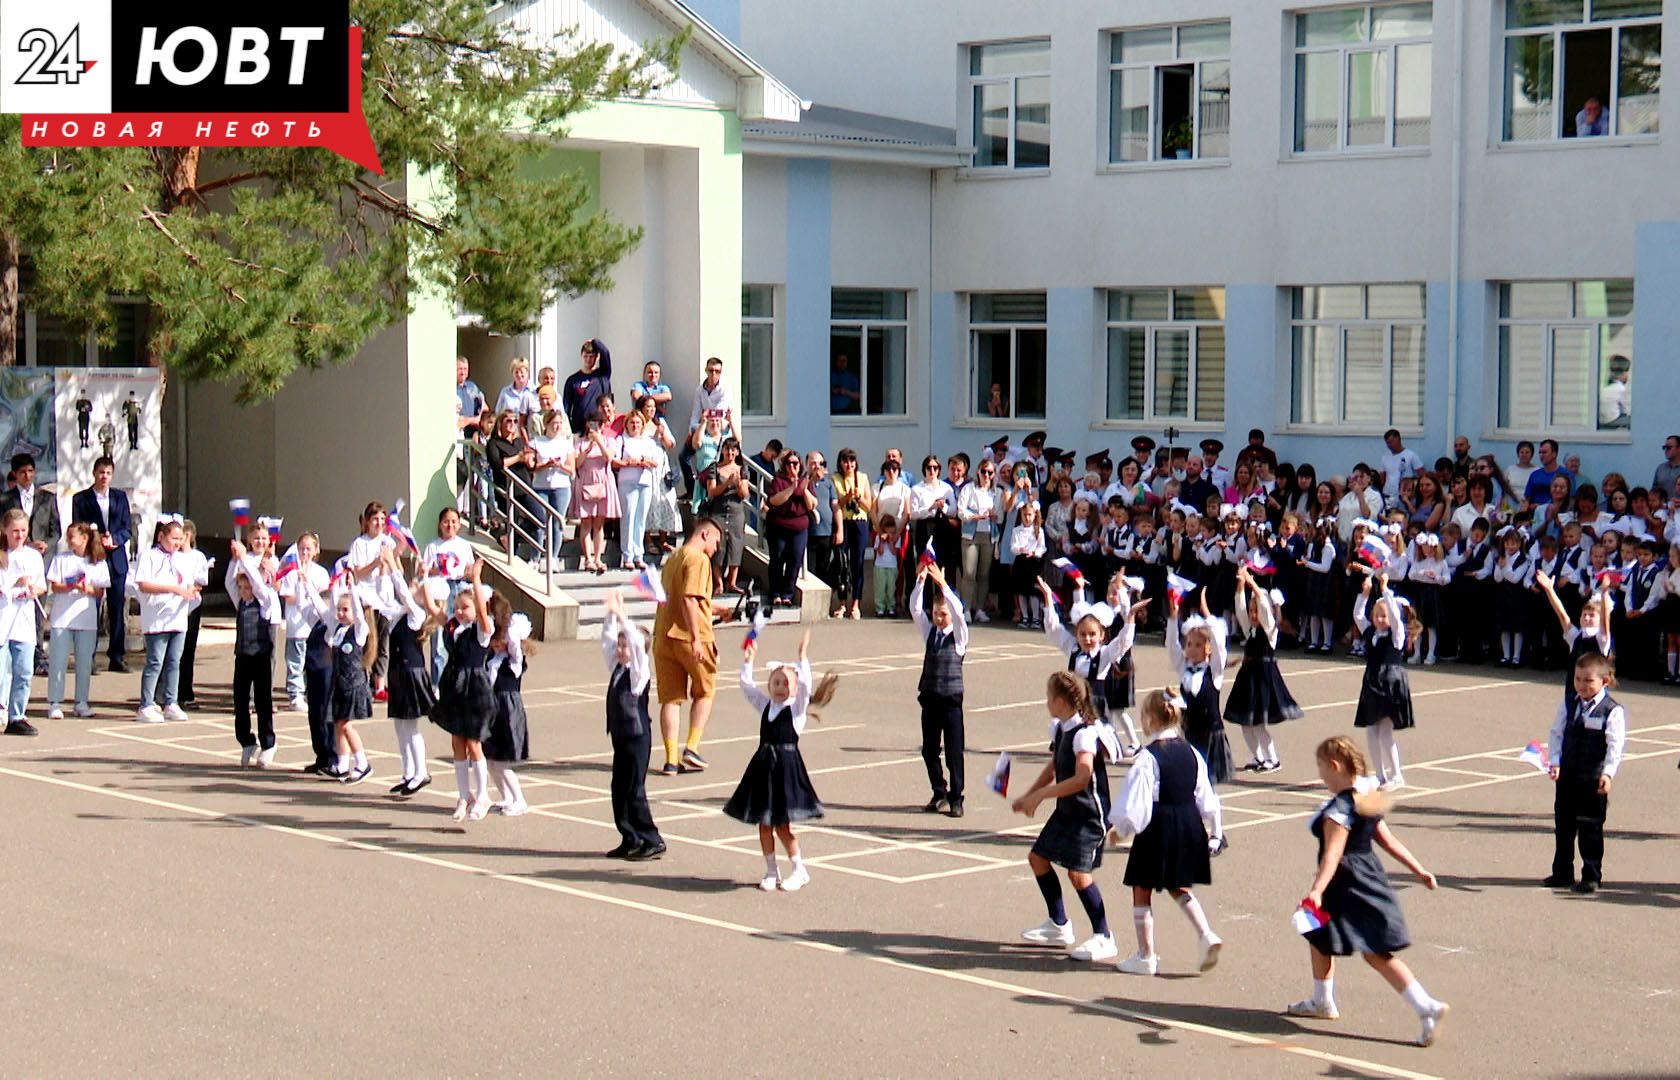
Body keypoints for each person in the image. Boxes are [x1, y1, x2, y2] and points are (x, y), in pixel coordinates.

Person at [1286, 737, 1448, 1047]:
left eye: (1320, 767)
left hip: (1346, 884)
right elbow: (1388, 840)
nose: (1320, 774)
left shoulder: (1339, 809)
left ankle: (1426, 1006)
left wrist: (1316, 890)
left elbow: (1333, 854)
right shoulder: (1365, 799)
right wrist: (1419, 869)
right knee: (1319, 935)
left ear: (1334, 766)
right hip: (1370, 877)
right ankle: (1322, 1000)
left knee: (1373, 951)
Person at [1107, 686, 1226, 976]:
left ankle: (1145, 955)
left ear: (1150, 719)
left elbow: (1137, 802)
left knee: (1141, 887)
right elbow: (1206, 797)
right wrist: (1214, 831)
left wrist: (1121, 829)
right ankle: (1206, 933)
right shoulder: (1193, 753)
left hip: (1159, 826)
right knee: (1178, 884)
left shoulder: (1148, 758)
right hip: (1189, 823)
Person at [1013, 671, 1122, 963]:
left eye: (1049, 698)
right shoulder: (1061, 729)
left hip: (1089, 816)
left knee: (1078, 874)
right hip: (1067, 811)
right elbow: (1053, 766)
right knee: (1038, 858)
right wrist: (1029, 795)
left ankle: (1104, 936)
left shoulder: (1084, 734)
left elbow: (1082, 778)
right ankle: (1058, 924)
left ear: (1061, 702)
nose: (1046, 702)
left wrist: (1041, 795)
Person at [723, 630, 835, 892]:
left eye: (785, 683)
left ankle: (799, 869)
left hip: (785, 771)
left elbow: (806, 687)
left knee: (783, 825)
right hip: (764, 768)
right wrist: (749, 659)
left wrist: (802, 657)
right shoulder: (766, 706)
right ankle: (771, 870)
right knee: (764, 824)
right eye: (776, 682)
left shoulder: (796, 711)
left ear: (794, 688)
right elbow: (747, 687)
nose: (780, 687)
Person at [652, 518, 736, 775]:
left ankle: (671, 759)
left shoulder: (673, 558)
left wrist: (721, 610)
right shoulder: (698, 559)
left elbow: (694, 599)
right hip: (689, 637)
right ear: (704, 535)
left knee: (671, 699)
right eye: (716, 542)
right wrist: (696, 638)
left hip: (664, 636)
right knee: (705, 690)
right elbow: (689, 599)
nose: (716, 549)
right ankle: (692, 746)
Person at [1542, 652, 1625, 893]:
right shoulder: (1570, 703)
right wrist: (1555, 761)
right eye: (1578, 679)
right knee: (1564, 824)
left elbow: (1615, 745)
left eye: (1588, 681)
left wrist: (1608, 774)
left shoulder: (1612, 710)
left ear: (1604, 681)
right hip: (1568, 774)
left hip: (1592, 778)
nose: (1581, 685)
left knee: (1590, 827)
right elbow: (1556, 733)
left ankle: (1591, 874)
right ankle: (1562, 871)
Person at [1037, 575, 1145, 752]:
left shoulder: (1104, 654)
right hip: (1073, 707)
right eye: (1082, 634)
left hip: (1095, 712)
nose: (1087, 639)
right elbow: (1053, 629)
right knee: (1066, 744)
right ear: (1077, 634)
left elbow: (1123, 642)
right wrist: (1048, 598)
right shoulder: (1073, 649)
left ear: (1102, 635)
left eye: (1092, 634)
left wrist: (1130, 617)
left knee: (1095, 749)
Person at [428, 559, 495, 821]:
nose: (459, 611)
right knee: (457, 742)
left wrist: (476, 579)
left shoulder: (481, 631)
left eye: (464, 607)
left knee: (473, 743)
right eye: (456, 607)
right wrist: (424, 578)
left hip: (475, 688)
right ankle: (463, 795)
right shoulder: (453, 628)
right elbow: (434, 610)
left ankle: (483, 795)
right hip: (454, 686)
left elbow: (482, 609)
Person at [600, 590, 664, 860]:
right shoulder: (618, 667)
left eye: (624, 646)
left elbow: (637, 644)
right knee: (619, 787)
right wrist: (611, 614)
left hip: (637, 736)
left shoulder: (639, 673)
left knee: (635, 788)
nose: (620, 649)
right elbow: (606, 641)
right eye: (620, 645)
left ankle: (652, 839)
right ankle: (630, 836)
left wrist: (623, 615)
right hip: (621, 736)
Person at [1225, 565, 1302, 772]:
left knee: (1258, 722)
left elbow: (1265, 610)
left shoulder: (1270, 630)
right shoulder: (1250, 630)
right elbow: (1239, 608)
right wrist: (1241, 584)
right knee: (1245, 722)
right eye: (1252, 611)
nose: (1253, 615)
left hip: (1263, 677)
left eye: (1255, 611)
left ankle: (1273, 759)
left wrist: (1252, 583)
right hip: (1248, 677)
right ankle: (1258, 757)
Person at [911, 562, 968, 818]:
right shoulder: (931, 634)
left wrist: (944, 586)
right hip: (930, 698)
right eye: (936, 613)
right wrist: (921, 581)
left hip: (951, 701)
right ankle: (939, 791)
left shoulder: (959, 637)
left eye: (943, 614)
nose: (939, 618)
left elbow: (959, 613)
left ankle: (956, 797)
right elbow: (915, 609)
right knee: (929, 750)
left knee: (954, 751)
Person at [380, 558, 438, 796]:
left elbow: (404, 593)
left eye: (416, 586)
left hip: (411, 673)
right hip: (397, 673)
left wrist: (394, 566)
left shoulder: (417, 614)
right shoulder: (399, 614)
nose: (410, 587)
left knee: (411, 726)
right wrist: (384, 569)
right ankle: (408, 772)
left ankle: (421, 772)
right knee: (400, 726)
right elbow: (384, 600)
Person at [1353, 574, 1416, 790]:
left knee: (1385, 732)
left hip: (1391, 683)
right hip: (1372, 681)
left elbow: (1396, 620)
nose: (1380, 619)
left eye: (1384, 616)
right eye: (1377, 615)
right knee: (1371, 729)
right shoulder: (1370, 632)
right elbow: (1357, 615)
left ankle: (1396, 775)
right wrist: (1365, 594)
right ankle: (1379, 775)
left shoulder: (1396, 636)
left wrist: (1385, 589)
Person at [223, 533, 281, 767]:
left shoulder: (265, 600)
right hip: (243, 657)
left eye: (248, 586)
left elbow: (258, 583)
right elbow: (228, 583)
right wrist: (235, 559)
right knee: (240, 701)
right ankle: (246, 741)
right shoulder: (241, 603)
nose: (245, 590)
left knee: (263, 701)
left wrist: (245, 558)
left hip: (261, 657)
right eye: (242, 587)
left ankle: (269, 743)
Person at [71, 457, 133, 673]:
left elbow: (127, 528)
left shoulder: (119, 497)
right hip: (94, 557)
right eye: (101, 472)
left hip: (116, 559)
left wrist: (114, 539)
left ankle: (117, 656)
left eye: (108, 473)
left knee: (116, 609)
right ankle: (88, 656)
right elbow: (78, 528)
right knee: (91, 609)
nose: (104, 477)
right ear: (94, 473)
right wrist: (96, 540)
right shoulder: (81, 499)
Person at [1166, 590, 1234, 787]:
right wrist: (1173, 618)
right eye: (1189, 644)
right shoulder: (1183, 669)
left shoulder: (1214, 671)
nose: (1192, 648)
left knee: (1206, 782)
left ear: (1208, 648)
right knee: (1191, 779)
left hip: (1210, 734)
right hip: (1189, 732)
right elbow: (1171, 646)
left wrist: (1208, 617)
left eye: (1198, 644)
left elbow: (1220, 646)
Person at [44, 522, 110, 723]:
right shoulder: (61, 558)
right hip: (62, 619)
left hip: (86, 619)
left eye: (72, 536)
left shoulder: (97, 562)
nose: (69, 540)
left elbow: (100, 591)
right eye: (68, 536)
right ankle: (55, 702)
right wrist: (70, 586)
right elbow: (55, 586)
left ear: (84, 538)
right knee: (58, 661)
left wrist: (85, 588)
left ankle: (81, 702)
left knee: (84, 663)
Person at [133, 516, 196, 725]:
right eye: (173, 538)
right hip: (157, 618)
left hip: (177, 617)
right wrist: (173, 589)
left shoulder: (183, 559)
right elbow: (143, 584)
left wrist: (190, 591)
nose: (177, 543)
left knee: (174, 661)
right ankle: (146, 704)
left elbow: (187, 583)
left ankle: (171, 701)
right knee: (155, 661)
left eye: (180, 539)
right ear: (161, 536)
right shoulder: (149, 556)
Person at [484, 596, 534, 816]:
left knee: (501, 763)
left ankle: (519, 799)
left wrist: (507, 627)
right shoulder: (491, 660)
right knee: (491, 762)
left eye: (499, 640)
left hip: (507, 711)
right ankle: (506, 797)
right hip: (492, 710)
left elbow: (514, 645)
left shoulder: (514, 662)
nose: (495, 644)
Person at [0, 509, 46, 735]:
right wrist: (15, 584)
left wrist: (34, 589)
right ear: (4, 531)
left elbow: (42, 586)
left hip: (24, 623)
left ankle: (17, 716)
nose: (19, 535)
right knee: (2, 672)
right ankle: (1, 712)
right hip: (3, 621)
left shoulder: (33, 556)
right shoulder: (2, 556)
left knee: (24, 670)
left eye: (23, 531)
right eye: (15, 531)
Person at [764, 450, 815, 607]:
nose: (792, 466)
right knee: (778, 559)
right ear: (784, 465)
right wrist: (792, 488)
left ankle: (788, 593)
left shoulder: (805, 481)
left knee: (795, 559)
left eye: (795, 463)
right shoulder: (778, 481)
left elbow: (812, 505)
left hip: (799, 528)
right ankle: (776, 593)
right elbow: (774, 501)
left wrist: (803, 490)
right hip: (778, 526)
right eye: (789, 463)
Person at [611, 410, 661, 572]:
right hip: (627, 482)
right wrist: (629, 463)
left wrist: (645, 461)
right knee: (628, 518)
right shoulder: (621, 440)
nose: (635, 425)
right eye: (632, 422)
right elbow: (614, 461)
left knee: (640, 520)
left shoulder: (648, 442)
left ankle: (639, 555)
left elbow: (655, 462)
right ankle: (627, 555)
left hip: (645, 482)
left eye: (638, 423)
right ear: (627, 425)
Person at [700, 437, 749, 593]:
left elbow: (744, 494)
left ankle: (732, 582)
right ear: (722, 450)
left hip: (736, 512)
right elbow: (712, 491)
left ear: (737, 452)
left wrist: (739, 484)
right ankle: (718, 582)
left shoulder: (742, 469)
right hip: (718, 511)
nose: (730, 453)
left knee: (736, 544)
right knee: (718, 546)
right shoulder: (715, 468)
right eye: (727, 449)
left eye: (733, 449)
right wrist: (727, 483)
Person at [527, 411, 574, 570]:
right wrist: (546, 465)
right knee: (539, 522)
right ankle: (535, 557)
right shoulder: (536, 442)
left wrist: (560, 465)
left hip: (561, 487)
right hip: (541, 486)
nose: (557, 426)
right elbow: (532, 467)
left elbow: (572, 469)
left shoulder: (566, 443)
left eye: (560, 423)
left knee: (557, 523)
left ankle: (553, 558)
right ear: (546, 424)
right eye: (554, 423)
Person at [172, 520, 211, 709]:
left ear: (188, 535)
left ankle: (186, 692)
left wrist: (192, 586)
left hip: (191, 607)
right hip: (173, 606)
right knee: (173, 651)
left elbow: (201, 581)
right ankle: (168, 692)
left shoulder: (197, 556)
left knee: (187, 650)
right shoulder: (172, 556)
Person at [573, 419, 619, 575]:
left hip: (602, 481)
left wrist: (599, 441)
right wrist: (587, 449)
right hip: (585, 480)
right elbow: (577, 463)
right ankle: (588, 559)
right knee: (586, 522)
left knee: (599, 524)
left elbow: (609, 458)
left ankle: (598, 558)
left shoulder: (609, 441)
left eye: (598, 425)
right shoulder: (580, 442)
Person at [832, 448, 873, 621]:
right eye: (845, 461)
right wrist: (847, 497)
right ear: (840, 463)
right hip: (843, 523)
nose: (849, 465)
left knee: (857, 564)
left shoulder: (862, 478)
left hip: (860, 523)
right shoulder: (835, 478)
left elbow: (869, 505)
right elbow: (836, 503)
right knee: (841, 564)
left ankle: (856, 604)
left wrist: (858, 497)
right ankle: (842, 603)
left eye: (852, 461)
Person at [806, 451, 842, 610]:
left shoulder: (828, 484)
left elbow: (836, 507)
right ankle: (811, 607)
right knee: (810, 570)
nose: (816, 466)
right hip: (808, 534)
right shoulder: (803, 482)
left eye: (819, 463)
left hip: (826, 533)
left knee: (824, 570)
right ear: (807, 464)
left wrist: (839, 530)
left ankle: (823, 607)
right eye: (813, 463)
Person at [561, 338, 613, 436]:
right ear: (581, 356)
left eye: (591, 356)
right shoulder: (572, 380)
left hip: (598, 424)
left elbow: (605, 352)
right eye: (585, 356)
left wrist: (595, 341)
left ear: (597, 357)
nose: (588, 359)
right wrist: (567, 428)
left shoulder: (602, 375)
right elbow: (566, 407)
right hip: (578, 426)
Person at [494, 357, 542, 437]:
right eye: (516, 372)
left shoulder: (535, 392)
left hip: (530, 434)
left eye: (522, 372)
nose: (519, 375)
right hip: (509, 435)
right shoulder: (505, 392)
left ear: (527, 372)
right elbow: (498, 413)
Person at [1377, 429, 1424, 507]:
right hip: (1387, 495)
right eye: (1387, 443)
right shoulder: (1385, 458)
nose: (1389, 445)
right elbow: (1382, 478)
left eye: (1391, 442)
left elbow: (1422, 475)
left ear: (1398, 440)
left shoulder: (1411, 455)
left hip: (1404, 497)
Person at [1523, 439, 1570, 508]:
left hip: (1559, 512)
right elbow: (1527, 500)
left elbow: (1571, 501)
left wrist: (1544, 508)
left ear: (1554, 454)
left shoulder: (1567, 474)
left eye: (1544, 452)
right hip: (1535, 513)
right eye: (1540, 452)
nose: (1541, 455)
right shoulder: (1534, 475)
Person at [871, 515, 901, 618]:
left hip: (892, 566)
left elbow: (894, 552)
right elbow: (880, 552)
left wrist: (891, 541)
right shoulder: (878, 537)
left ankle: (891, 607)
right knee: (880, 588)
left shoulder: (897, 538)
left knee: (891, 588)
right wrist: (881, 541)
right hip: (880, 565)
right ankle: (880, 608)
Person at [1599, 355, 1631, 429]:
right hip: (1613, 421)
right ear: (1623, 373)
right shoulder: (1620, 389)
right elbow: (1627, 409)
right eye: (1627, 372)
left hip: (1603, 422)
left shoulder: (1607, 388)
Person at [1654, 435, 1680, 503]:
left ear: (1679, 448)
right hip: (1663, 508)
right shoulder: (1660, 468)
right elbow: (1654, 492)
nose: (1666, 450)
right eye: (1664, 447)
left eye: (1669, 447)